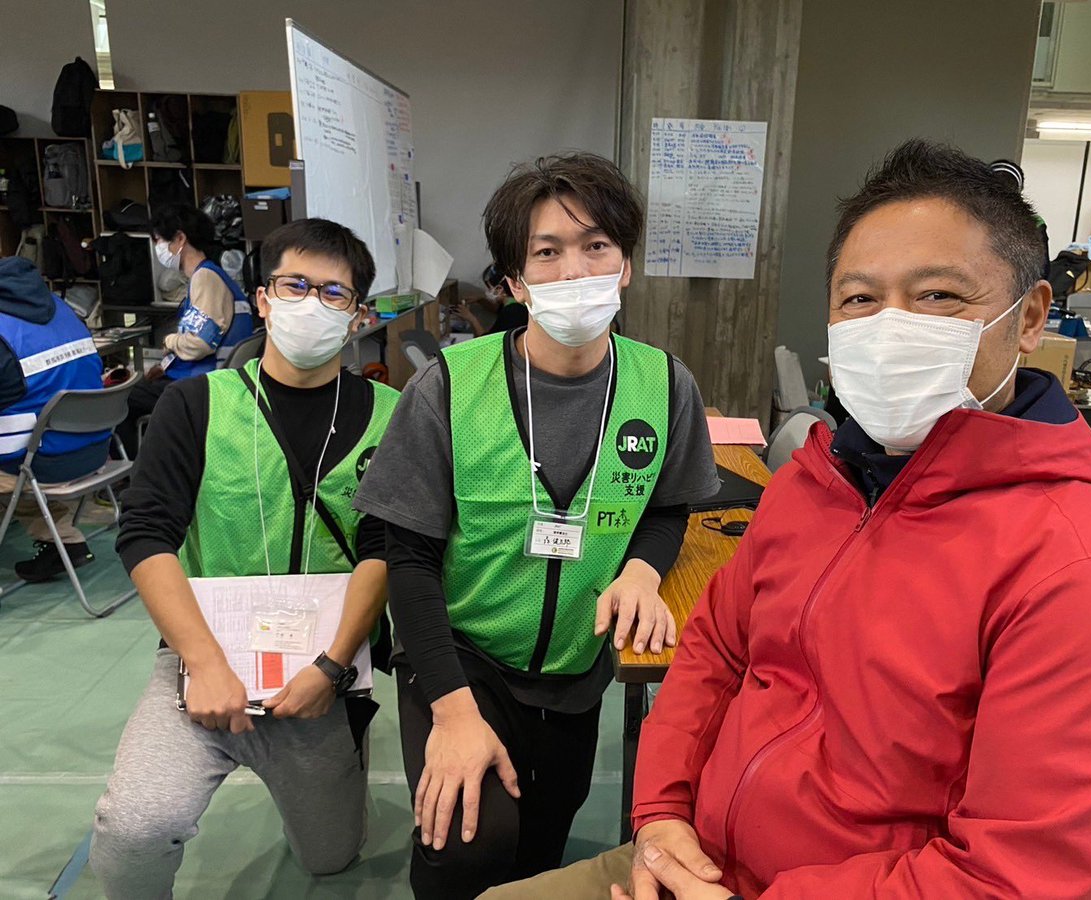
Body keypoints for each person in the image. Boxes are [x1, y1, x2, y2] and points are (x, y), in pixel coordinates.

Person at [484, 140, 1091, 899]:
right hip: (694, 859)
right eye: (859, 300)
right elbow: (714, 652)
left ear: (1028, 318)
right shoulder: (814, 487)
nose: (891, 328)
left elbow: (1020, 879)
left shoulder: (1083, 576)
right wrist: (661, 814)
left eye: (938, 296)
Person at [354, 151, 719, 900]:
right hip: (461, 658)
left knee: (543, 849)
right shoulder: (447, 388)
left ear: (624, 266)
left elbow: (667, 507)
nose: (574, 270)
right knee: (467, 842)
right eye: (546, 252)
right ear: (515, 282)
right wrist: (452, 711)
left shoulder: (664, 384)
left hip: (575, 671)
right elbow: (407, 558)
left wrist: (642, 572)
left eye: (597, 246)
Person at [90, 219, 399, 898]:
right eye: (295, 285)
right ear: (263, 298)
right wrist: (203, 664)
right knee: (135, 826)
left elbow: (383, 549)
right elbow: (145, 535)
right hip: (201, 660)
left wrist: (332, 668)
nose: (312, 303)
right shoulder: (196, 404)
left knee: (330, 857)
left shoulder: (391, 416)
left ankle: (340, 768)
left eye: (334, 293)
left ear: (358, 316)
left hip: (320, 676)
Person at [114, 203, 254, 456]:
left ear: (180, 238)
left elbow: (200, 344)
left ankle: (135, 472)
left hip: (200, 386)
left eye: (159, 240)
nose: (157, 248)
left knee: (119, 399)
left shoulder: (206, 279)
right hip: (207, 380)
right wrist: (165, 365)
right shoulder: (210, 276)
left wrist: (169, 341)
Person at [0, 257, 108, 581]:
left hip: (45, 462)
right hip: (95, 448)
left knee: (15, 467)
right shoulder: (63, 309)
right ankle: (63, 541)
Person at [449, 263, 530, 337]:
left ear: (499, 289)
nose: (488, 291)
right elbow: (497, 309)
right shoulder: (515, 303)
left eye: (489, 288)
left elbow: (485, 340)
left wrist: (471, 318)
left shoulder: (513, 312)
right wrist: (480, 300)